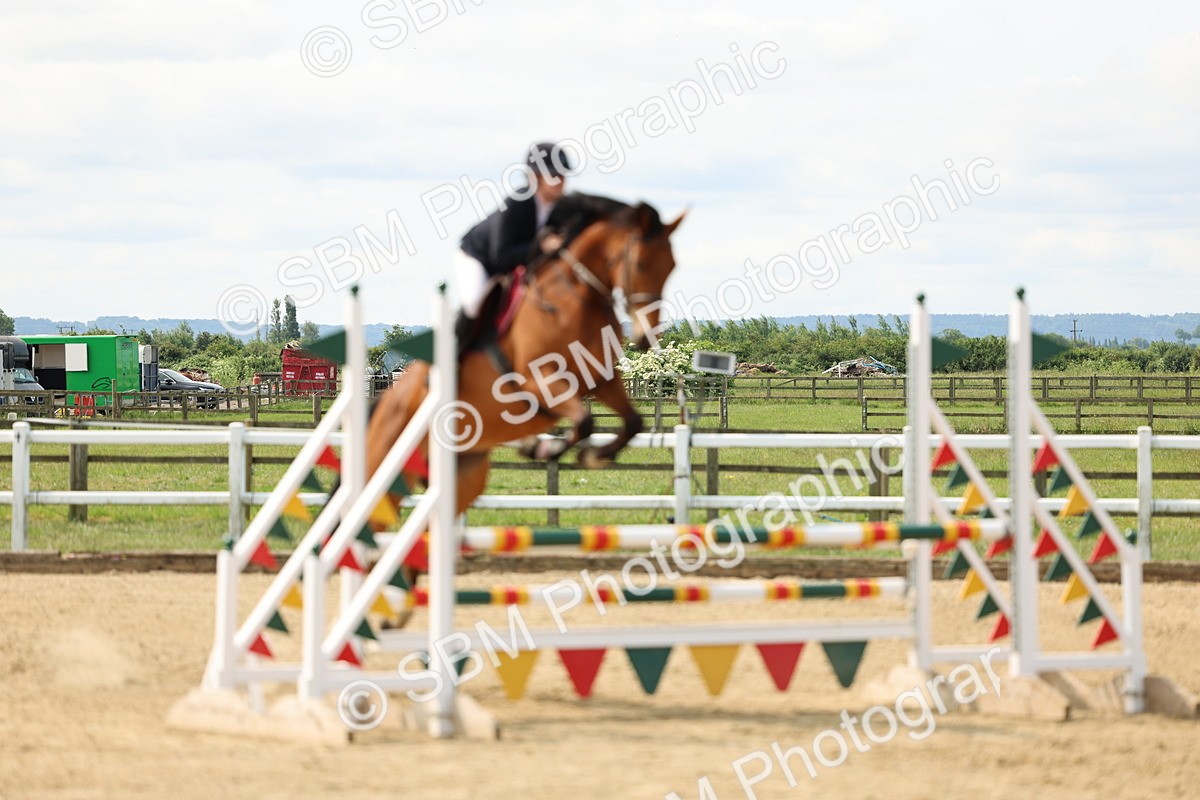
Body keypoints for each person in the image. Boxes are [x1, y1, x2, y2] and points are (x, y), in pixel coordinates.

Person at [456, 142, 573, 319]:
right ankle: (459, 346)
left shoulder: (562, 210)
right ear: (536, 177)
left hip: (516, 265)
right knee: (474, 305)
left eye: (563, 175)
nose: (561, 181)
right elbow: (501, 255)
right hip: (480, 258)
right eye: (554, 174)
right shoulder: (516, 203)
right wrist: (541, 247)